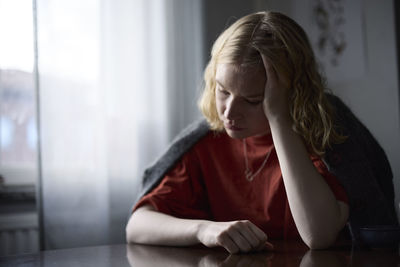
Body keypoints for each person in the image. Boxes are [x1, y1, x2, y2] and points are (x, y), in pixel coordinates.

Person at [126, 11, 397, 253]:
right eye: (223, 91)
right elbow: (137, 226)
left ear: (292, 94)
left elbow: (318, 235)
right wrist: (204, 230)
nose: (229, 112)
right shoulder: (208, 141)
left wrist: (279, 118)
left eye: (253, 100)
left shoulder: (324, 137)